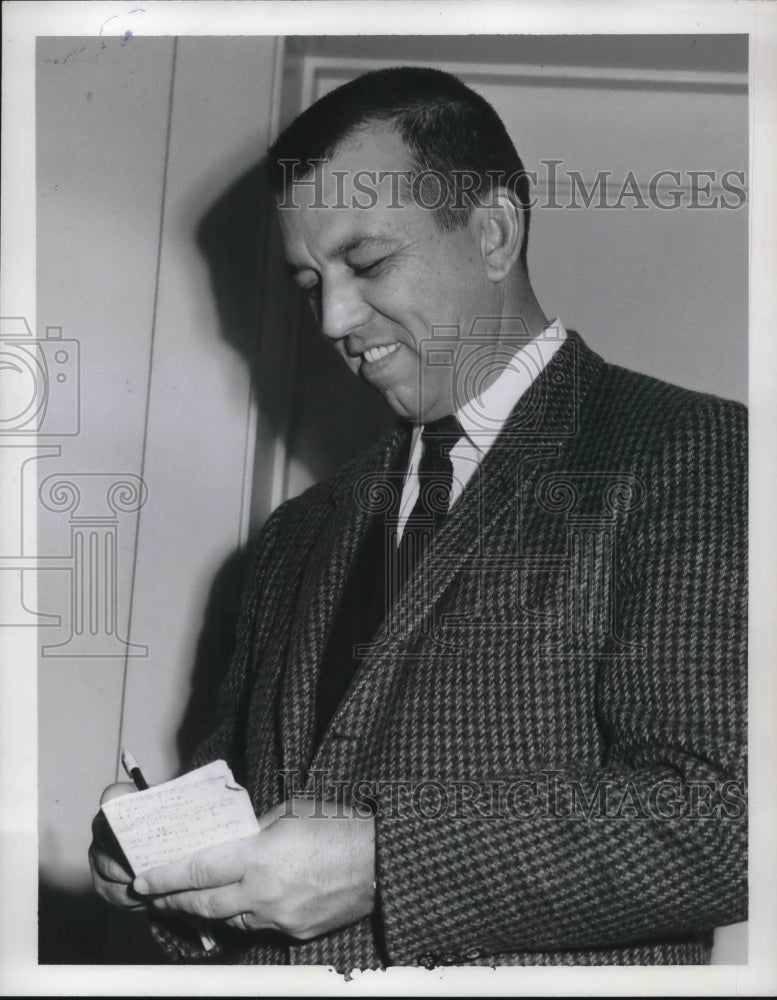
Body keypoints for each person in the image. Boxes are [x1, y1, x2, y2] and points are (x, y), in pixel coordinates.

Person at [89, 67, 747, 969]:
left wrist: (382, 863)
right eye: (308, 280)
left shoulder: (692, 450)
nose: (332, 317)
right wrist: (165, 869)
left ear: (493, 231)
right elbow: (244, 819)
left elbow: (724, 818)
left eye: (365, 263)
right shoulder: (292, 536)